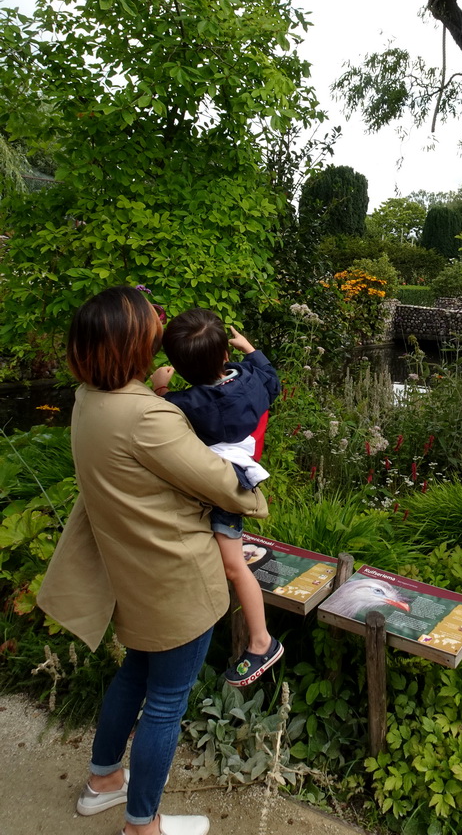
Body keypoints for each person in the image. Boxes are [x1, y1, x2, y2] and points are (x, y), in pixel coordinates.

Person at [37, 287, 269, 835]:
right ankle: (144, 825)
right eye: (150, 330)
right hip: (175, 579)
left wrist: (161, 391)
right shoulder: (147, 418)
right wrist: (251, 484)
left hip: (132, 573)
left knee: (133, 676)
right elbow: (221, 483)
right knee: (166, 702)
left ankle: (102, 783)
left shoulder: (88, 399)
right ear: (132, 345)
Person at [150, 309, 283, 687]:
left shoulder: (188, 403)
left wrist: (160, 386)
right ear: (226, 355)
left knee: (233, 566)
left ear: (176, 364)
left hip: (224, 487)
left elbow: (162, 415)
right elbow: (273, 381)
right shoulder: (250, 380)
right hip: (239, 476)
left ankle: (262, 640)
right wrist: (251, 350)